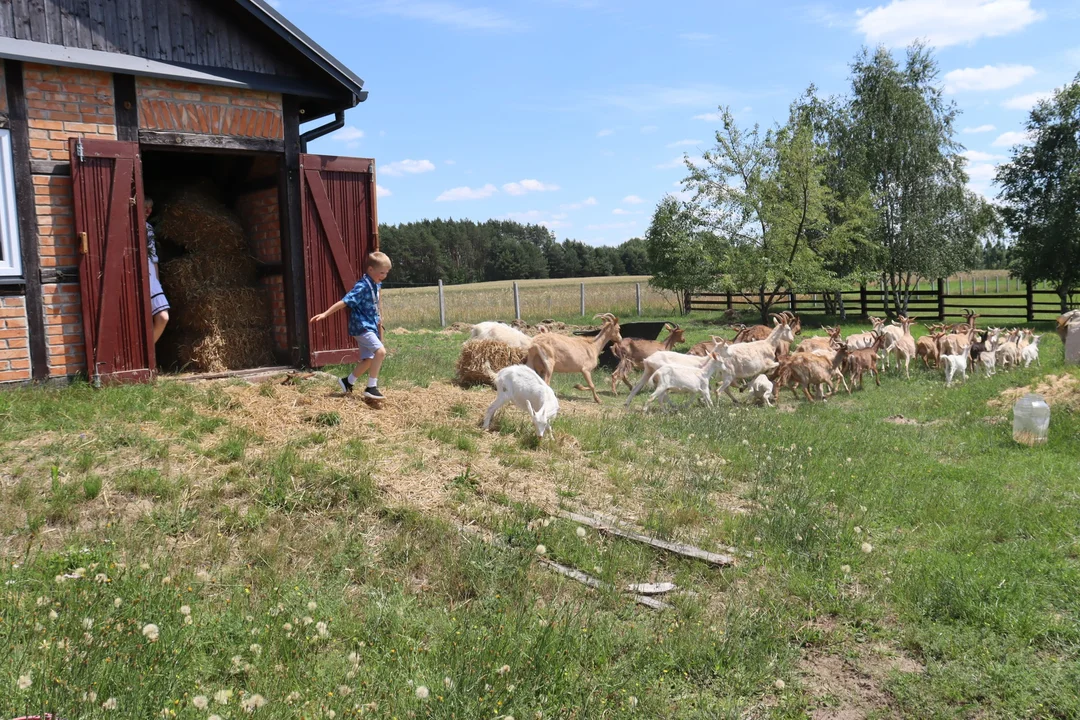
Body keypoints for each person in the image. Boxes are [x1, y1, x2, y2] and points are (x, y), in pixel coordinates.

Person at [309, 251, 391, 400]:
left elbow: (376, 300)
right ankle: (371, 387)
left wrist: (379, 315)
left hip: (370, 325)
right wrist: (326, 314)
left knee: (369, 359)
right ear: (370, 269)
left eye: (386, 273)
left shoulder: (376, 283)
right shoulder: (362, 286)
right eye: (381, 272)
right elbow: (345, 301)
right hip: (361, 326)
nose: (384, 276)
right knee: (381, 352)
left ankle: (348, 382)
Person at [145, 198, 170, 343]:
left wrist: (157, 282)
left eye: (151, 208)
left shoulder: (148, 228)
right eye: (145, 207)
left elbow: (153, 258)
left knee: (162, 317)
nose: (149, 211)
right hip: (132, 280)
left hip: (150, 279)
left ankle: (148, 355)